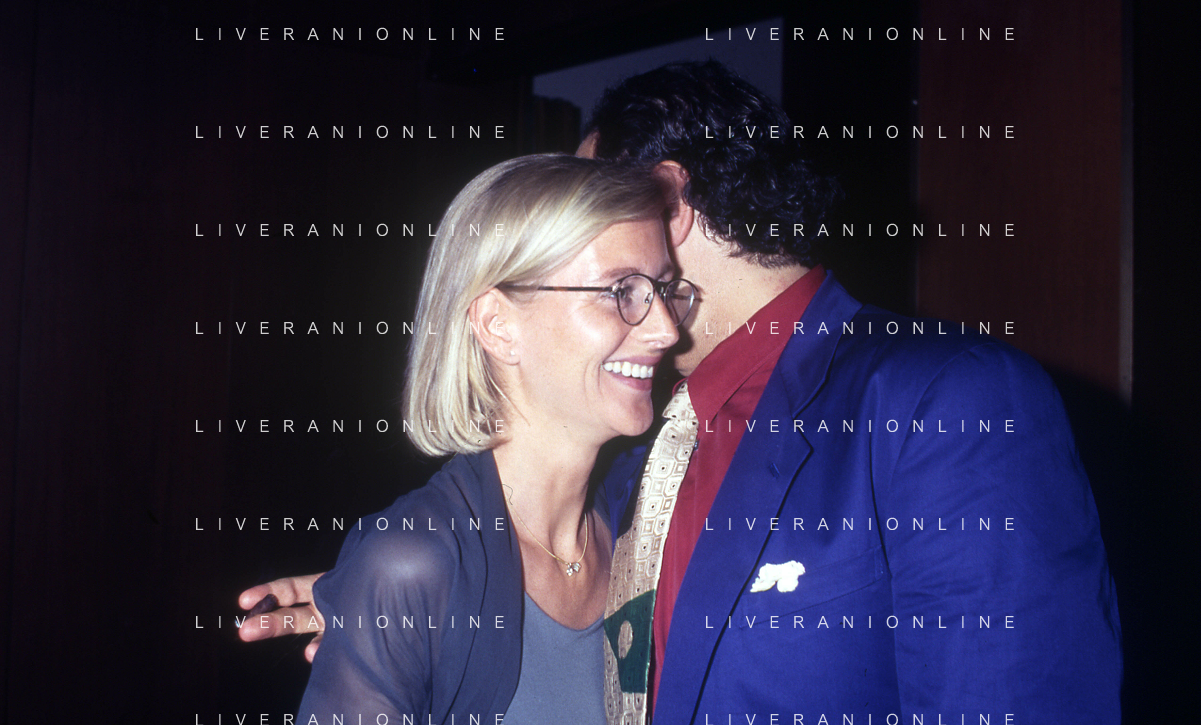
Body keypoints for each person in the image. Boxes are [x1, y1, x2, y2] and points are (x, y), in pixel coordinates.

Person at [243, 62, 1122, 723]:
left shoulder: (942, 400)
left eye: (591, 193)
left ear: (667, 200)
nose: (656, 325)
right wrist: (414, 593)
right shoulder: (638, 451)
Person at [290, 153, 693, 724]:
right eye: (620, 290)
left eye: (663, 289)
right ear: (499, 326)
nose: (666, 329)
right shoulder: (413, 563)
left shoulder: (643, 523)